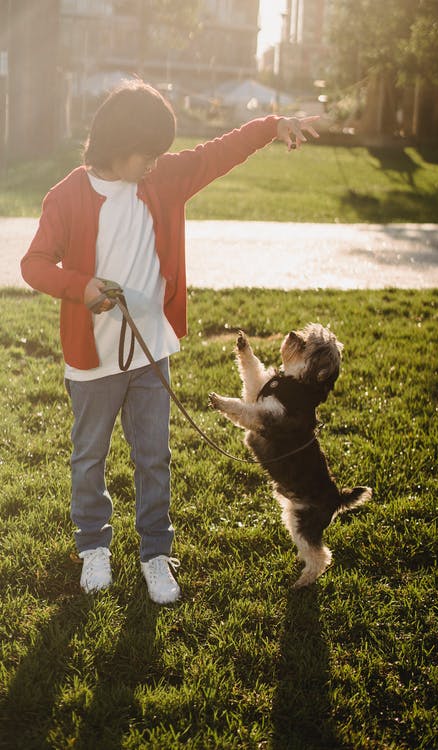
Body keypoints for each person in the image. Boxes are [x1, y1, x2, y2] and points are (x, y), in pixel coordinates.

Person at [20, 79, 319, 604]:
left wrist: (272, 126)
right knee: (88, 458)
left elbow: (221, 151)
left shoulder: (164, 180)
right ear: (116, 143)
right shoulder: (66, 196)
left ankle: (156, 553)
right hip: (92, 362)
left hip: (150, 352)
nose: (155, 163)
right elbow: (34, 265)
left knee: (153, 457)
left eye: (161, 153)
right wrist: (81, 286)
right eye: (147, 153)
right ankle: (94, 547)